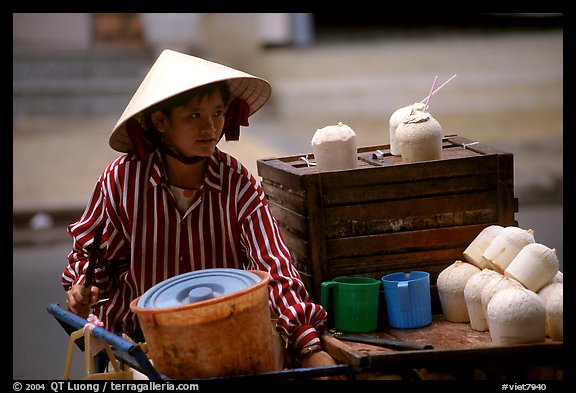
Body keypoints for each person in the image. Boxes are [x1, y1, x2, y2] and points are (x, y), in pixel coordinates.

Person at [61, 49, 339, 374]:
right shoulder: (121, 182)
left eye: (218, 113)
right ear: (160, 121)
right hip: (137, 349)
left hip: (224, 340)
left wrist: (309, 346)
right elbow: (90, 259)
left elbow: (274, 267)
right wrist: (83, 288)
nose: (210, 127)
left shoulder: (238, 184)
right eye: (194, 115)